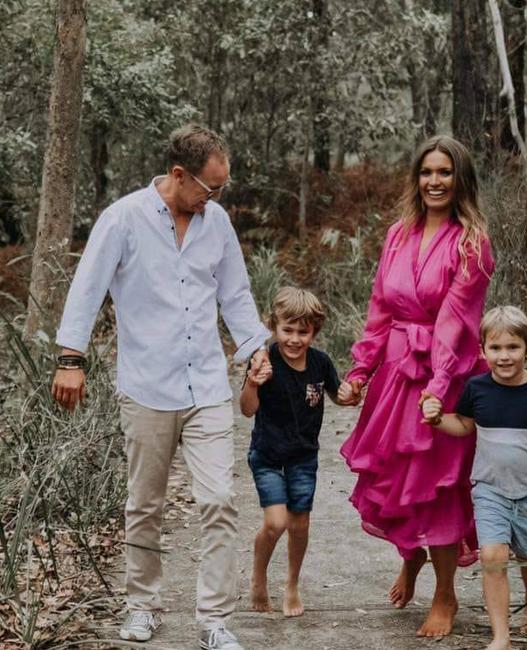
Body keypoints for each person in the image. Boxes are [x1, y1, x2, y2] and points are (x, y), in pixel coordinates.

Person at [51, 124, 270, 650]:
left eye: (222, 188)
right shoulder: (123, 218)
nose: (216, 198)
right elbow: (88, 287)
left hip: (207, 386)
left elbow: (236, 295)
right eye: (210, 188)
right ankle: (141, 605)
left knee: (218, 498)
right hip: (146, 384)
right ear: (178, 175)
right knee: (144, 503)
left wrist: (254, 348)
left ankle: (215, 621)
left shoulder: (215, 223)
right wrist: (70, 359)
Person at [340, 135, 495, 637]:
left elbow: (457, 320)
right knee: (395, 479)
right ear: (416, 178)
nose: (434, 181)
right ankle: (411, 557)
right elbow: (380, 308)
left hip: (445, 376)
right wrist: (361, 370)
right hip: (395, 372)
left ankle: (446, 594)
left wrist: (440, 384)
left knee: (439, 487)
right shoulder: (396, 234)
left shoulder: (471, 242)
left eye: (445, 173)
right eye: (427, 172)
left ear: (460, 180)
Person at [421, 305, 527, 650]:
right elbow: (463, 425)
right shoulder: (477, 389)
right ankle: (501, 636)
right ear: (482, 351)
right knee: (492, 555)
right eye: (495, 348)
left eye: (513, 348)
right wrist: (436, 419)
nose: (504, 356)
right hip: (490, 489)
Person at [240, 286, 358, 618]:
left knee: (300, 523)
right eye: (287, 330)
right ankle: (259, 576)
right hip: (266, 454)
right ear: (273, 327)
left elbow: (339, 396)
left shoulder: (320, 363)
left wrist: (352, 393)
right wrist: (252, 382)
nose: (294, 339)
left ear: (314, 332)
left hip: (304, 455)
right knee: (276, 522)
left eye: (302, 332)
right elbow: (247, 410)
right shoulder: (264, 361)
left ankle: (292, 583)